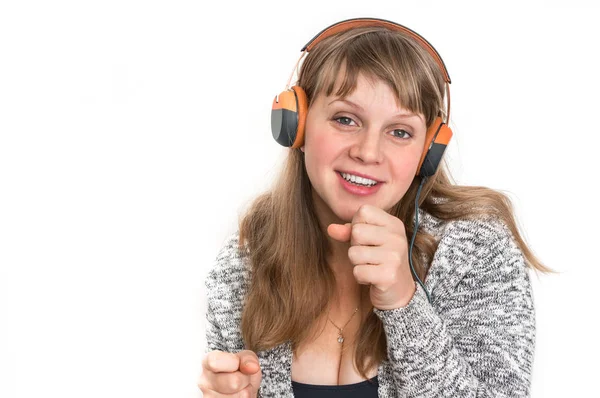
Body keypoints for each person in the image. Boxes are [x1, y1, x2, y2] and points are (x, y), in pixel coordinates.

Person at [198, 17, 551, 398]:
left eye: (400, 132)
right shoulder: (247, 262)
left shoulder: (474, 250)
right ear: (295, 125)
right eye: (345, 119)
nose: (368, 152)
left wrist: (404, 301)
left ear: (426, 153)